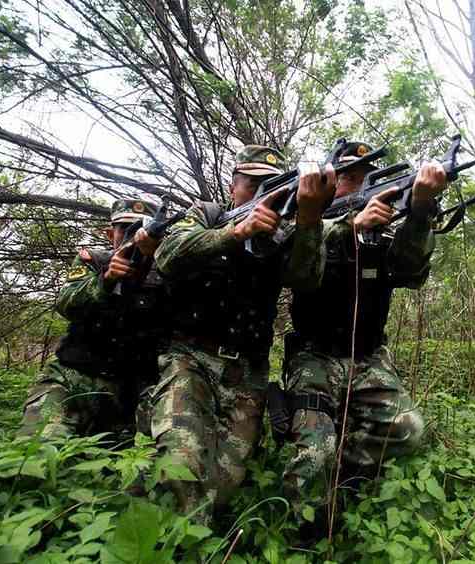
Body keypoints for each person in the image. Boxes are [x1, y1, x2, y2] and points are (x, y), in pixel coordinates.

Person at [138, 145, 334, 526]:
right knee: (182, 465)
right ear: (234, 186)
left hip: (247, 371)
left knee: (222, 491)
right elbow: (167, 254)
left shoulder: (285, 235)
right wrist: (235, 232)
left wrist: (310, 221)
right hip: (190, 360)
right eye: (253, 184)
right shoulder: (206, 215)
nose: (262, 193)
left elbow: (307, 280)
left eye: (271, 186)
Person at [280, 141, 447, 532]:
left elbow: (411, 274)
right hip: (314, 356)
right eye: (347, 179)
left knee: (408, 430)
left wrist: (420, 211)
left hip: (367, 358)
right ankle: (302, 531)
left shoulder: (384, 236)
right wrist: (347, 230)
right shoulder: (305, 226)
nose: (355, 188)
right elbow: (298, 274)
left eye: (363, 180)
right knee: (311, 455)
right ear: (329, 184)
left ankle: (348, 481)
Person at [20, 199, 166, 439]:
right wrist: (106, 280)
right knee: (37, 448)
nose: (134, 236)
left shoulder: (167, 270)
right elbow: (66, 304)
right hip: (76, 375)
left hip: (135, 388)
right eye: (124, 229)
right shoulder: (93, 262)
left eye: (141, 228)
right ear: (110, 234)